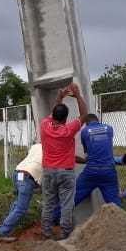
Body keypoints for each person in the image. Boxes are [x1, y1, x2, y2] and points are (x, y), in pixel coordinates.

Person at [40, 82, 88, 241]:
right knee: (66, 204)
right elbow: (85, 115)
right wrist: (78, 95)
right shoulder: (69, 129)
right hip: (66, 172)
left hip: (48, 171)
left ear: (53, 116)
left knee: (48, 203)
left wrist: (60, 97)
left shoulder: (45, 125)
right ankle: (65, 233)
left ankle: (46, 232)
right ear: (66, 118)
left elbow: (55, 111)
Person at [0, 144, 61, 242]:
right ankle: (2, 232)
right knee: (21, 208)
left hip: (17, 173)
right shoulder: (54, 148)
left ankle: (5, 228)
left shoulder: (36, 146)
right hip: (27, 177)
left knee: (18, 204)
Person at [73, 114, 121, 208]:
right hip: (109, 170)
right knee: (114, 203)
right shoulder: (109, 128)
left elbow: (86, 153)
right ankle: (120, 221)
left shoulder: (84, 132)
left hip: (92, 171)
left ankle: (53, 217)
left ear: (87, 123)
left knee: (73, 196)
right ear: (97, 120)